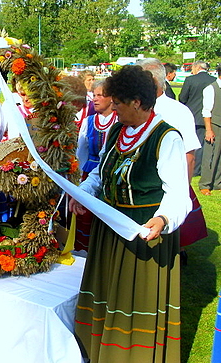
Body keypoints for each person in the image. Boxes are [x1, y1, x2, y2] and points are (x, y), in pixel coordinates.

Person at [69, 65, 191, 362]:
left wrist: (162, 220)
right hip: (109, 231)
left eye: (118, 103)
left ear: (137, 102)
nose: (113, 108)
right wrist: (83, 193)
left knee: (134, 301)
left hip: (144, 235)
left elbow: (179, 194)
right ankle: (99, 351)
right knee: (107, 294)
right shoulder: (116, 130)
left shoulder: (166, 138)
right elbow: (101, 172)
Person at [140, 58, 207, 259]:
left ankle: (176, 251)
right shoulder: (135, 108)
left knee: (169, 226)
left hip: (170, 181)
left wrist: (182, 191)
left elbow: (189, 154)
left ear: (153, 83)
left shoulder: (177, 111)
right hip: (144, 183)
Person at [74, 80, 117, 252]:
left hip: (110, 174)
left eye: (100, 95)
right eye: (94, 95)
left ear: (111, 99)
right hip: (89, 171)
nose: (95, 99)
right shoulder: (89, 121)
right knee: (86, 215)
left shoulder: (118, 122)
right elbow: (81, 151)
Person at [179, 60, 216, 176]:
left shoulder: (190, 80)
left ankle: (195, 169)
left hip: (193, 115)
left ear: (197, 67)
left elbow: (182, 98)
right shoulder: (213, 81)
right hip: (210, 117)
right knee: (207, 146)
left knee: (194, 144)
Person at [199, 64, 221, 195]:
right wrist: (209, 130)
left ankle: (217, 183)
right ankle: (205, 184)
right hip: (215, 125)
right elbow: (206, 111)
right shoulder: (211, 89)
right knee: (211, 155)